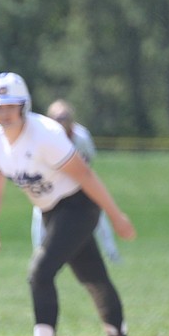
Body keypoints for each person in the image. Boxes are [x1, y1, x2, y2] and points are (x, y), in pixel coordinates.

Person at [0, 72, 137, 336]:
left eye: (10, 106)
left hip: (78, 206)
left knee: (40, 273)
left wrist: (116, 216)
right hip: (52, 212)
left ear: (23, 106)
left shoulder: (45, 133)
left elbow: (85, 175)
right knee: (93, 277)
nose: (4, 113)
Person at [30, 100, 120, 263]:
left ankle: (112, 254)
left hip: (78, 183)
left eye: (64, 117)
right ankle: (39, 255)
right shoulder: (45, 137)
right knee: (39, 215)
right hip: (52, 185)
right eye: (57, 118)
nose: (61, 121)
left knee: (99, 216)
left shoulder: (81, 136)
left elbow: (88, 159)